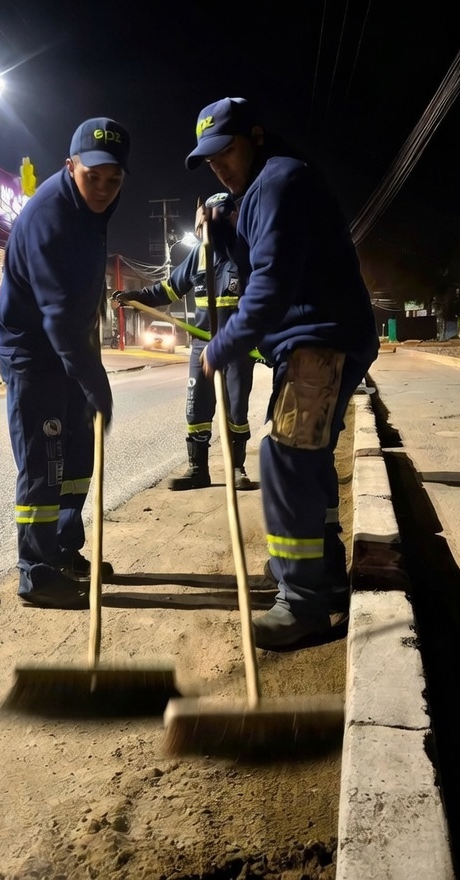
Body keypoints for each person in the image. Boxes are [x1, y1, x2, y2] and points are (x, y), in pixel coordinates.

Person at [184, 97, 379, 649]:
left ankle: (303, 604)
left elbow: (269, 285)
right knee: (304, 458)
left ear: (256, 135)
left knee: (287, 459)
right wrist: (223, 230)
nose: (218, 163)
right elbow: (257, 253)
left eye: (226, 149)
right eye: (209, 158)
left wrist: (222, 347)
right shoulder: (266, 187)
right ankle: (321, 580)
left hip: (320, 340)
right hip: (318, 341)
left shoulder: (277, 182)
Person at [0, 117, 130, 610]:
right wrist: (98, 384)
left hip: (67, 347)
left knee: (76, 455)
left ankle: (66, 550)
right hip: (33, 350)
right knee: (43, 463)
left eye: (114, 181)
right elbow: (58, 319)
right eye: (93, 178)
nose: (104, 190)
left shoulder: (90, 206)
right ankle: (37, 572)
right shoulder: (51, 217)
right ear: (70, 166)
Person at [112, 192, 257, 492]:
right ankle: (198, 470)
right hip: (203, 347)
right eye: (206, 223)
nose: (210, 229)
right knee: (197, 411)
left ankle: (237, 469)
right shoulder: (199, 256)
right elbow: (166, 290)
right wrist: (134, 296)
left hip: (236, 348)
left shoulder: (246, 254)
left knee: (236, 413)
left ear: (232, 218)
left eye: (218, 219)